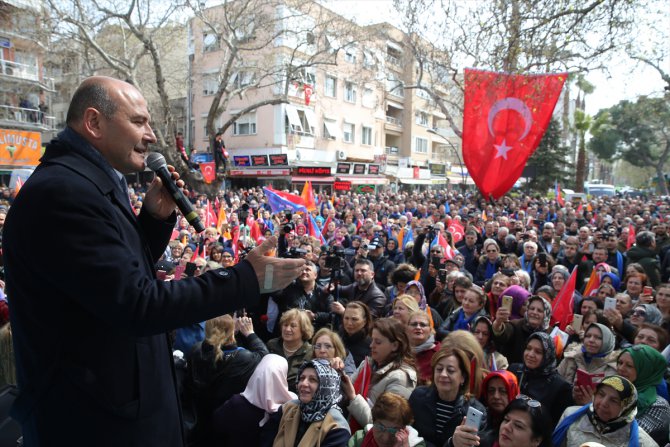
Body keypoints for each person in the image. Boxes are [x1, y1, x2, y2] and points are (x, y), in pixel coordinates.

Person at [2, 76, 305, 446]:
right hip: (94, 423)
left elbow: (108, 283)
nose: (151, 136)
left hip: (113, 412)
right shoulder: (63, 193)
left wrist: (153, 221)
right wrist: (244, 278)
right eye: (138, 121)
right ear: (94, 122)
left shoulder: (88, 184)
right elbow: (136, 303)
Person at [182, 314, 268, 445]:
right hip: (228, 418)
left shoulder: (196, 350)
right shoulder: (242, 357)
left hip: (201, 416)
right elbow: (264, 356)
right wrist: (250, 333)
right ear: (232, 332)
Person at [342, 318, 417, 431]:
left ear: (395, 345)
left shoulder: (401, 378)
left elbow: (383, 426)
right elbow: (344, 391)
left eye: (378, 342)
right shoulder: (367, 364)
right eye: (372, 340)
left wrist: (353, 398)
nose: (371, 345)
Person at [409, 347, 488, 447]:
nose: (443, 374)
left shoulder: (475, 411)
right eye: (439, 369)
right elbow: (407, 433)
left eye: (450, 371)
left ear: (463, 377)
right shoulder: (418, 397)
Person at [212, 354, 297, 446]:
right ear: (282, 377)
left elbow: (216, 427)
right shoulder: (290, 409)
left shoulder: (235, 404)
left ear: (257, 372)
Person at [552, 375, 657, 447]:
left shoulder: (641, 441)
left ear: (626, 407)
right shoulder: (571, 416)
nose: (603, 403)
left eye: (614, 400)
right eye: (601, 395)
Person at [273, 359, 350, 447]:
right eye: (302, 378)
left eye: (312, 379)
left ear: (326, 386)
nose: (304, 383)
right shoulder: (287, 408)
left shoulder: (337, 427)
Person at [508, 332, 573, 425]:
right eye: (528, 348)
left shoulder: (560, 387)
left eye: (538, 352)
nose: (530, 354)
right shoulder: (514, 370)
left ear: (548, 355)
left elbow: (554, 424)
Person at [616, 345, 670, 445]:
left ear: (645, 370)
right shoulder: (610, 390)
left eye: (629, 366)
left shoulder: (658, 405)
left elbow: (627, 438)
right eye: (620, 363)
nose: (621, 368)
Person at [452, 395, 552, 447]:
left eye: (518, 426)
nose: (507, 427)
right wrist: (453, 444)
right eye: (506, 420)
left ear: (536, 440)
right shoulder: (479, 443)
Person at [557, 323, 618, 404]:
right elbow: (555, 382)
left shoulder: (613, 368)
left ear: (607, 341)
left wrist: (590, 403)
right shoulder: (571, 357)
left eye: (598, 338)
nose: (591, 340)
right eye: (588, 336)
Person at [347, 392, 426, 447]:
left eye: (393, 431)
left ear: (404, 428)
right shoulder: (359, 439)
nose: (385, 438)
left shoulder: (416, 444)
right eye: (380, 428)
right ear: (373, 422)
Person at [492, 295, 553, 364]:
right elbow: (503, 333)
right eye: (532, 309)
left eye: (539, 311)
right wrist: (498, 322)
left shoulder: (551, 333)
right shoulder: (516, 325)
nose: (534, 312)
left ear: (546, 314)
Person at [267, 309, 314, 393]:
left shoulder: (311, 352)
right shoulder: (272, 345)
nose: (287, 329)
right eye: (285, 325)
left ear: (303, 330)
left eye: (293, 326)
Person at [407, 310, 441, 385]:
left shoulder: (438, 353)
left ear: (430, 330)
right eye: (414, 324)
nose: (418, 327)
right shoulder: (401, 351)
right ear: (407, 329)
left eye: (423, 325)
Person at [339, 302, 373, 367]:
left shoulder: (370, 346)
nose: (349, 323)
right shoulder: (337, 338)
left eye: (354, 319)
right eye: (346, 318)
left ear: (364, 321)